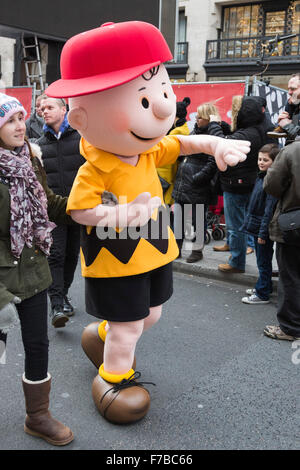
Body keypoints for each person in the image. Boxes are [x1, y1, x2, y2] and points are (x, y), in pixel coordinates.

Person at [45, 21, 250, 424]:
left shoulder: (146, 151)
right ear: (83, 118)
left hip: (154, 243)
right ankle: (113, 375)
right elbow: (79, 210)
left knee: (151, 313)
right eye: (143, 101)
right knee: (129, 326)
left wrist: (216, 144)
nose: (161, 107)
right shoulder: (95, 167)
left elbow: (182, 142)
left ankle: (101, 336)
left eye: (162, 91)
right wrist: (121, 214)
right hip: (116, 252)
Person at [0, 93, 74, 445]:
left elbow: (49, 205)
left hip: (32, 268)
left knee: (37, 345)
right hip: (0, 274)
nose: (20, 126)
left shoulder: (29, 159)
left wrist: (91, 208)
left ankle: (38, 416)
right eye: (9, 120)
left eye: (20, 118)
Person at [37, 96, 85, 327]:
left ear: (64, 109)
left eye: (49, 107)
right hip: (52, 211)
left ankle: (63, 294)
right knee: (55, 254)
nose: (44, 111)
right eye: (42, 108)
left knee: (71, 255)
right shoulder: (39, 145)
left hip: (78, 208)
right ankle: (56, 303)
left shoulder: (82, 139)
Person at [207, 96, 269, 273]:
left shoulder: (248, 133)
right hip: (250, 183)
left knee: (236, 227)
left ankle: (236, 262)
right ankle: (261, 266)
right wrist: (222, 127)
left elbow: (223, 144)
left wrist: (213, 126)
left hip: (236, 185)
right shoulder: (261, 128)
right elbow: (233, 136)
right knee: (253, 226)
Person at [172, 102, 229, 262]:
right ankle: (176, 249)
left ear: (208, 119)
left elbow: (213, 162)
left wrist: (198, 177)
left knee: (198, 220)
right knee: (178, 219)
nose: (196, 119)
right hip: (184, 181)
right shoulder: (194, 132)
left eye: (200, 117)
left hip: (197, 184)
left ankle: (197, 252)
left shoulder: (214, 135)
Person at [262, 141, 300, 341]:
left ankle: (291, 328)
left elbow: (271, 185)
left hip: (293, 223)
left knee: (291, 275)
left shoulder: (293, 150)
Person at [240, 143, 280, 304]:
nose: (261, 162)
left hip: (262, 230)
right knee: (261, 260)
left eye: (265, 160)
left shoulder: (270, 181)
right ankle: (264, 286)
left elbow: (268, 211)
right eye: (259, 159)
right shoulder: (261, 176)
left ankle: (262, 293)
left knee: (263, 262)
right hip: (257, 226)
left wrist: (263, 234)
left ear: (274, 162)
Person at [157, 97, 190, 228]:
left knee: (163, 206)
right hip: (169, 173)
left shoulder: (176, 132)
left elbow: (164, 151)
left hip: (165, 174)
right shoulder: (182, 129)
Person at [268, 73, 300, 141]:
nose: (289, 92)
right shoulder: (292, 104)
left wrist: (287, 125)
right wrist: (282, 125)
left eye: (293, 89)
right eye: (288, 89)